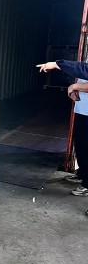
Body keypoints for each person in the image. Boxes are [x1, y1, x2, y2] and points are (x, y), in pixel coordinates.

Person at [38, 60, 88, 201]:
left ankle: (87, 183)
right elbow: (82, 70)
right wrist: (77, 88)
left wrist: (74, 85)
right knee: (81, 146)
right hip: (83, 109)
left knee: (86, 147)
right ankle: (83, 175)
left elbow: (82, 69)